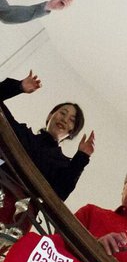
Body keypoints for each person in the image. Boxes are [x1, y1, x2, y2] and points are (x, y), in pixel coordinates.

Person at [0, 71, 94, 231]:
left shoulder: (64, 165)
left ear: (72, 131)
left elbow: (60, 194)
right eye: (62, 113)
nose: (64, 119)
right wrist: (19, 86)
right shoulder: (22, 134)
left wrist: (81, 158)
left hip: (15, 219)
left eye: (72, 120)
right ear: (50, 115)